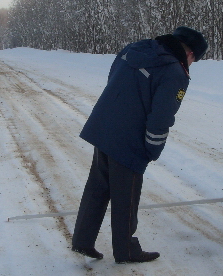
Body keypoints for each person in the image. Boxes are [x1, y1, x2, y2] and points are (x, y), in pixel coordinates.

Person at [71, 26, 208, 263]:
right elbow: (161, 117)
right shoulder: (175, 72)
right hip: (129, 141)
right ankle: (126, 250)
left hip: (104, 125)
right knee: (127, 197)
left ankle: (83, 240)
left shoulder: (134, 48)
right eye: (194, 59)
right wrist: (152, 150)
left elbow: (114, 78)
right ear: (189, 54)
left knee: (97, 187)